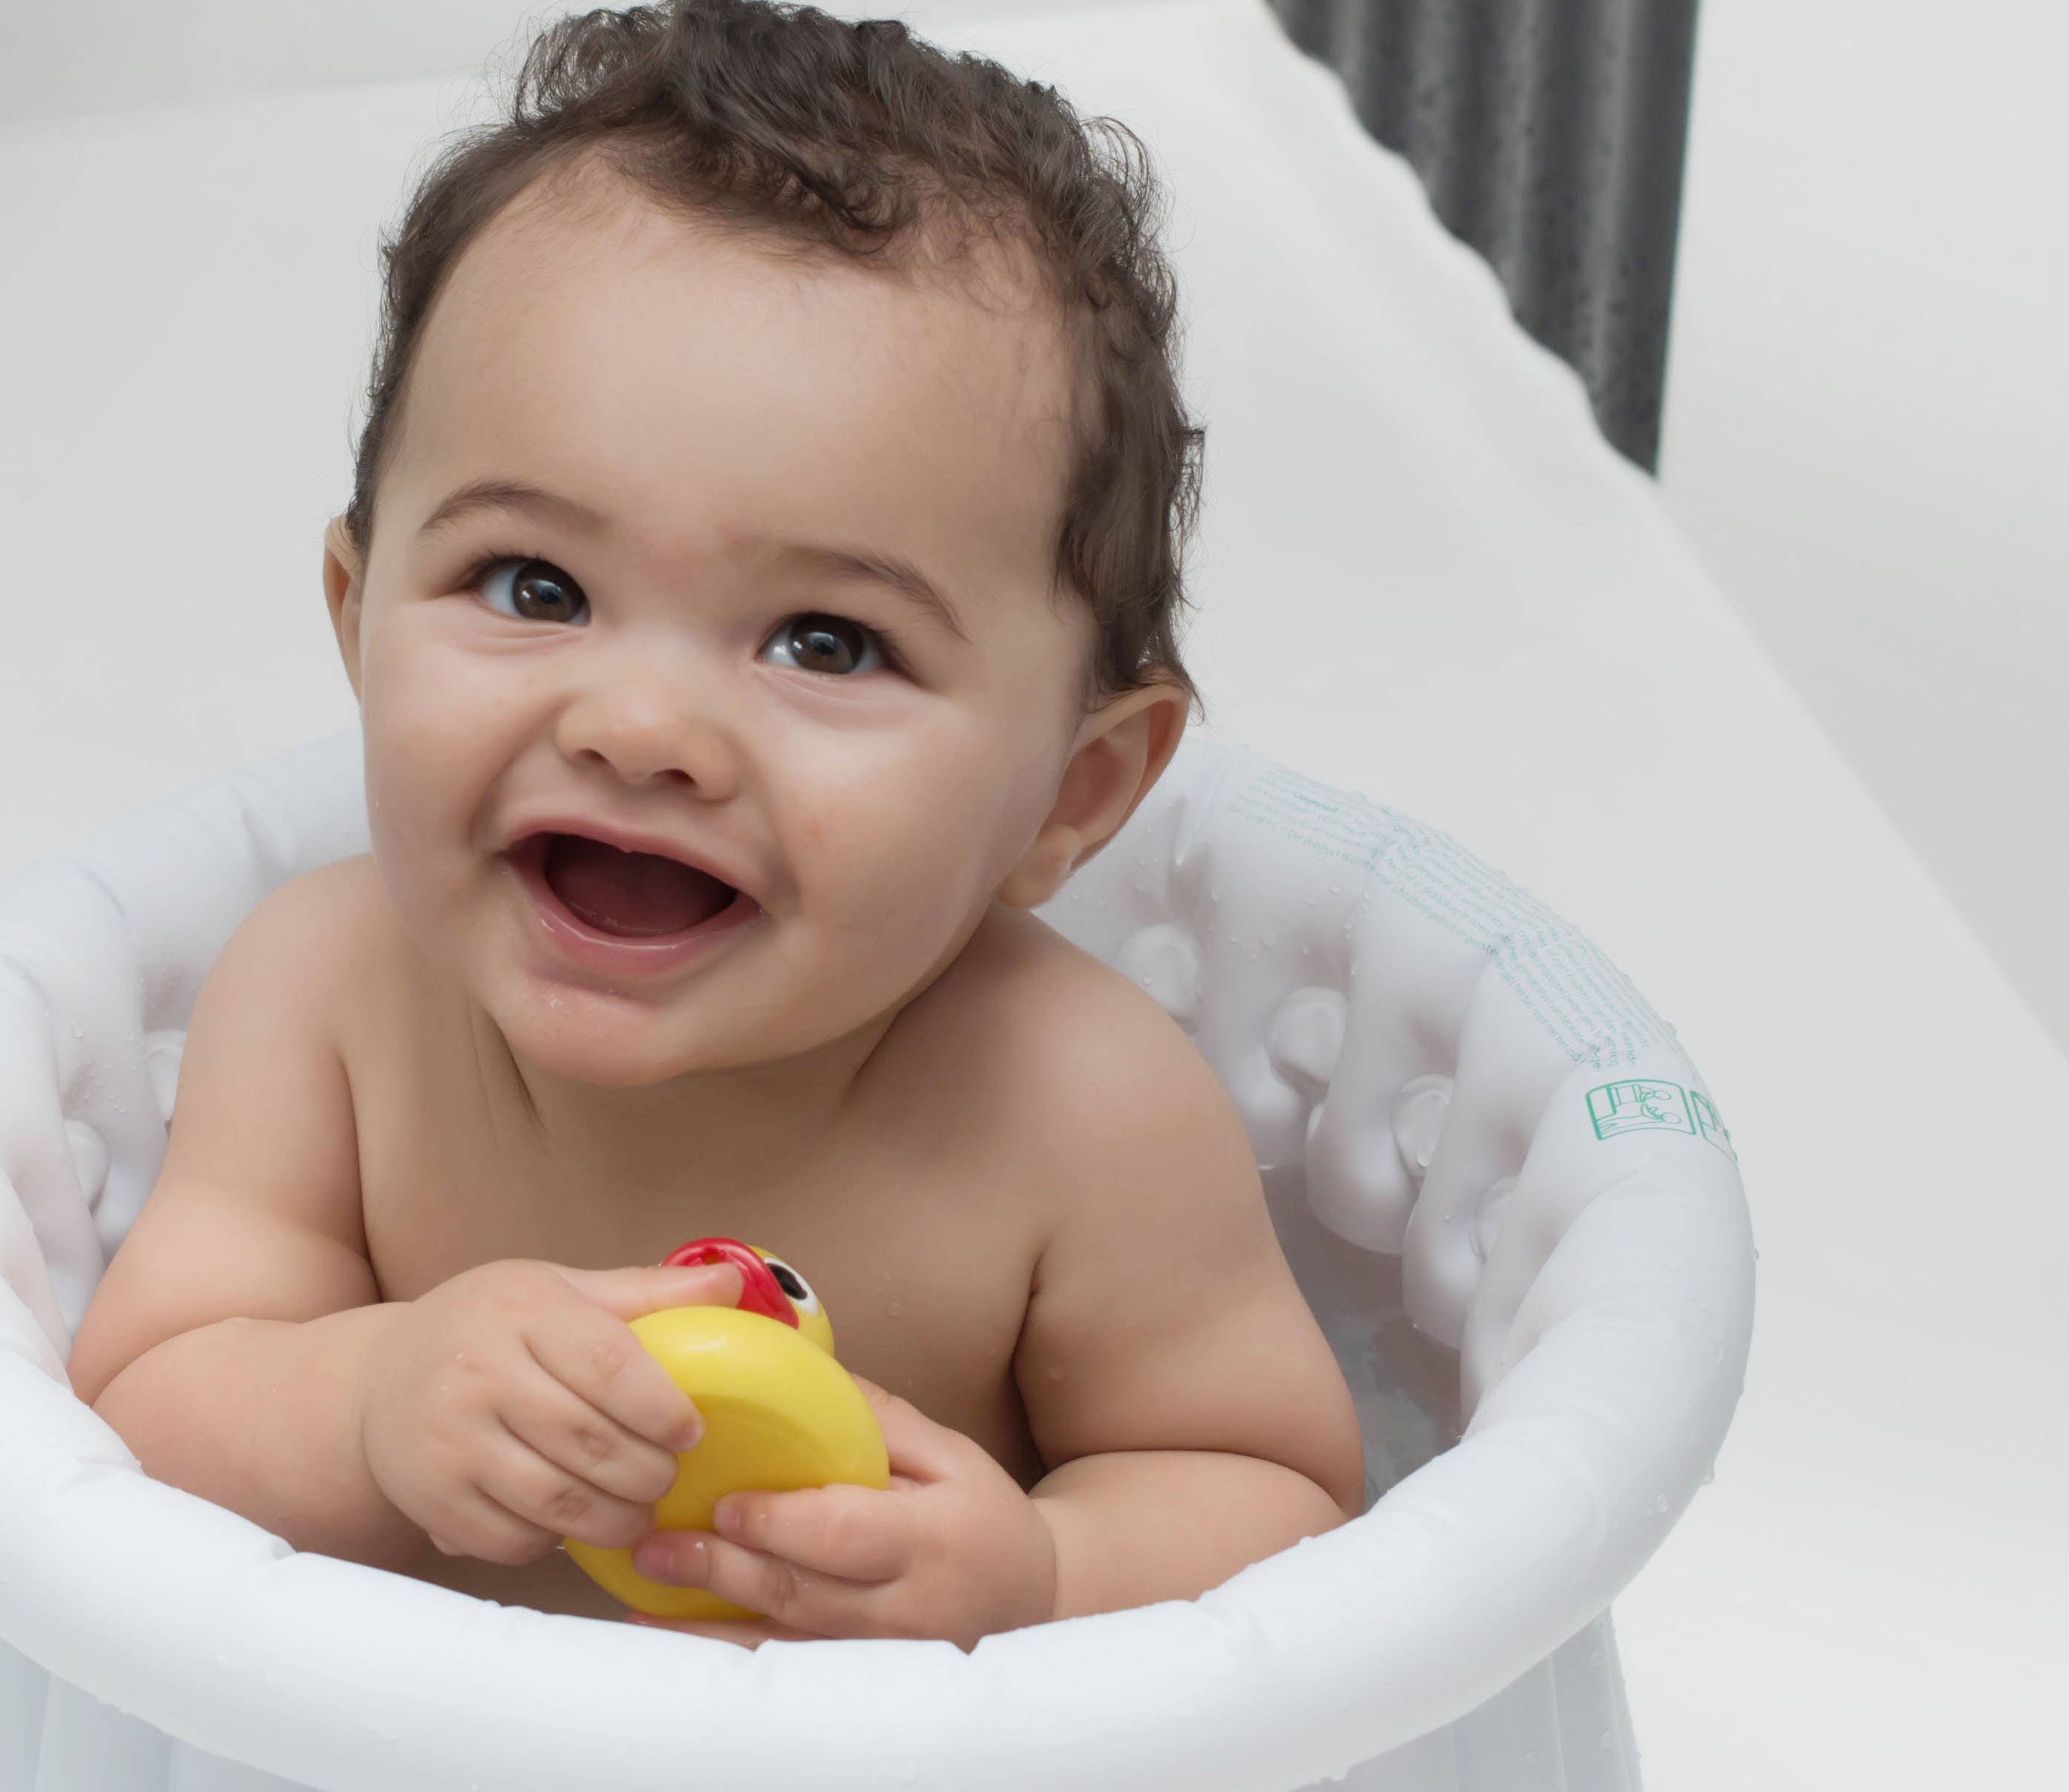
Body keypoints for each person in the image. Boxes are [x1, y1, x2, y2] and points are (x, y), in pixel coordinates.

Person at [68, 0, 1361, 1645]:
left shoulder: (1084, 1111)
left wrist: (1047, 1576)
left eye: (826, 641)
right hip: (397, 1781)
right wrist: (368, 1399)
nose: (640, 730)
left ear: (1072, 792)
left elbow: (1280, 1493)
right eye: (534, 585)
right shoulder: (327, 997)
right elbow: (138, 1407)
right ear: (357, 613)